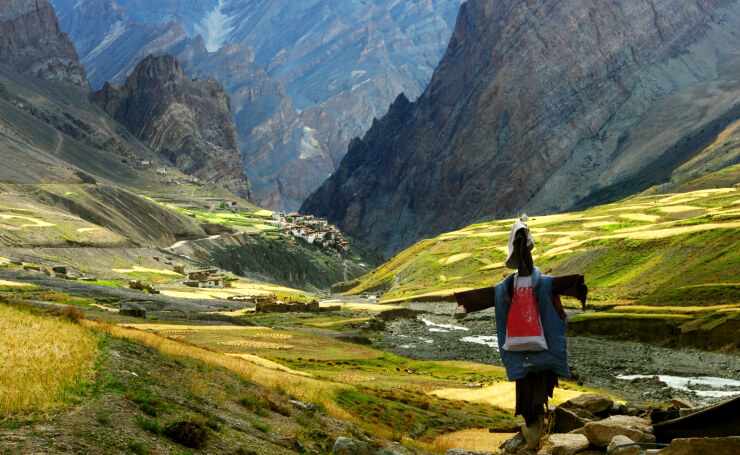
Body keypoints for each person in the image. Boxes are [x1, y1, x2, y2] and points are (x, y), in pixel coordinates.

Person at [454, 220, 587, 451]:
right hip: (539, 350)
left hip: (525, 351)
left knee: (531, 395)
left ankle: (534, 435)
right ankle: (534, 436)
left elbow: (484, 297)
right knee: (532, 396)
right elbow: (569, 283)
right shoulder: (531, 285)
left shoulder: (508, 288)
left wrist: (462, 300)